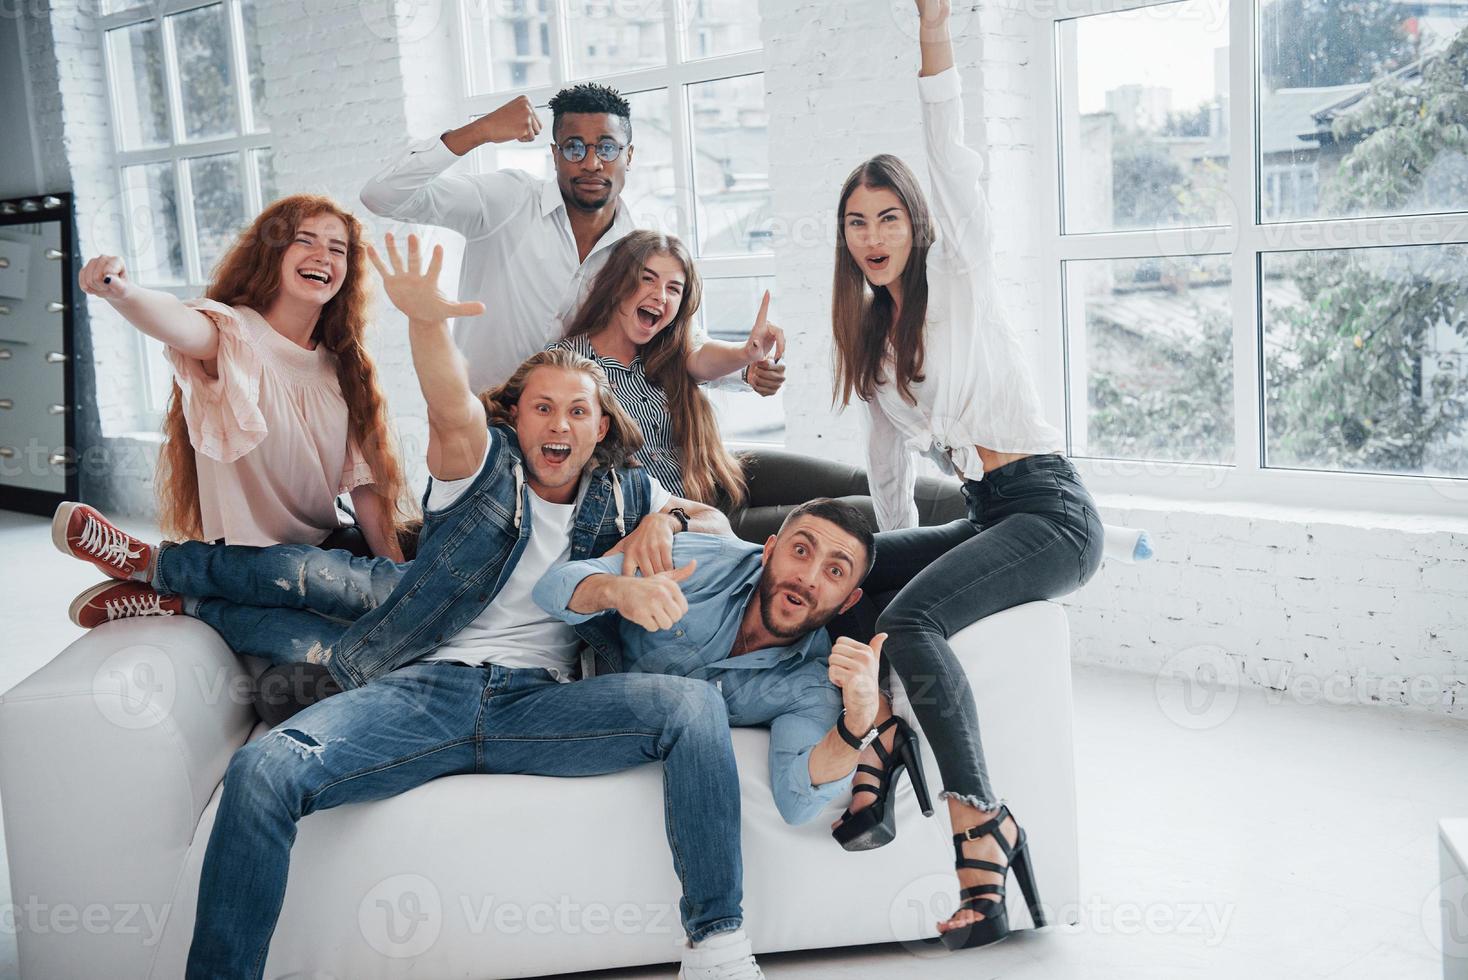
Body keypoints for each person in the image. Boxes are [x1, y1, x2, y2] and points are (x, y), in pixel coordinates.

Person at [54, 236, 768, 979]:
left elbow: (714, 523)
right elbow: (451, 408)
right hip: (427, 691)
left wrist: (668, 518)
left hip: (544, 705)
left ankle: (716, 948)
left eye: (577, 412)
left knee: (692, 710)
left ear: (599, 427)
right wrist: (427, 327)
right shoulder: (480, 469)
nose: (558, 426)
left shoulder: (627, 492)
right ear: (515, 419)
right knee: (264, 769)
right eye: (543, 409)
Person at [825, 0, 1104, 950]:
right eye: (857, 222)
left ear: (917, 220)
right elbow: (887, 476)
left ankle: (979, 825)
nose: (873, 234)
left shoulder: (963, 275)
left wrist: (932, 34)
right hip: (990, 515)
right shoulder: (872, 344)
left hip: (1051, 512)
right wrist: (878, 566)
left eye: (888, 215)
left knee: (912, 617)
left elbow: (951, 144)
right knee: (863, 576)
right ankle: (890, 739)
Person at [359, 83, 785, 396]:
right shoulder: (506, 199)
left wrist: (745, 368)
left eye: (608, 148)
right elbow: (382, 196)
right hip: (480, 424)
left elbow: (675, 342)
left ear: (629, 156)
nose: (592, 163)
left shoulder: (635, 249)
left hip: (569, 440)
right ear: (555, 154)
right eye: (574, 148)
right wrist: (480, 131)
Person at [74, 194, 410, 561]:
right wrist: (123, 292)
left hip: (328, 543)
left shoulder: (342, 366)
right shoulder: (233, 334)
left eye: (337, 249)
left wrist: (395, 576)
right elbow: (179, 323)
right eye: (305, 240)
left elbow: (365, 488)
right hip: (256, 557)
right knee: (298, 576)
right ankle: (162, 567)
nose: (323, 256)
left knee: (432, 539)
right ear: (271, 253)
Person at [534, 498, 901, 827]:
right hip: (575, 692)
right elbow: (552, 588)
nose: (808, 577)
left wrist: (857, 724)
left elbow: (797, 802)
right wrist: (618, 591)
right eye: (801, 551)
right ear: (769, 550)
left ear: (848, 602)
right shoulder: (699, 563)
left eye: (834, 571)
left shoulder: (811, 682)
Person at [550, 229, 775, 514]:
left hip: (714, 497)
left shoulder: (670, 351)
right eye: (647, 279)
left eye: (674, 288)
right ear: (617, 284)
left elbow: (704, 358)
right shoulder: (566, 364)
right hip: (666, 527)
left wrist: (747, 353)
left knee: (847, 495)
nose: (660, 296)